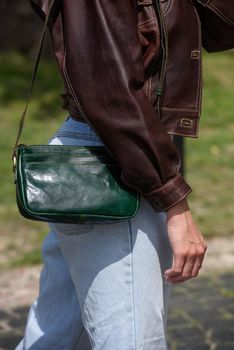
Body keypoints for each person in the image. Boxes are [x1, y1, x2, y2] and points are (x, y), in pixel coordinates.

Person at [16, 1, 209, 349]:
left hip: (128, 153)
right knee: (132, 341)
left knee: (56, 338)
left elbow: (220, 25)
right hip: (117, 158)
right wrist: (174, 203)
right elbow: (110, 93)